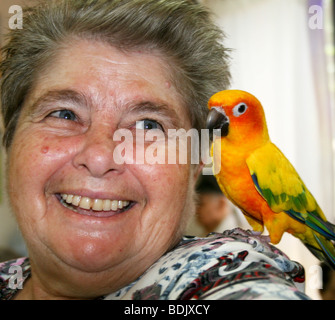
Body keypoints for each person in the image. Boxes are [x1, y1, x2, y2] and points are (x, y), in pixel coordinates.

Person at [0, 0, 309, 300]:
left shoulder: (217, 274)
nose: (98, 157)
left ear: (197, 160)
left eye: (148, 125)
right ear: (11, 140)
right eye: (64, 114)